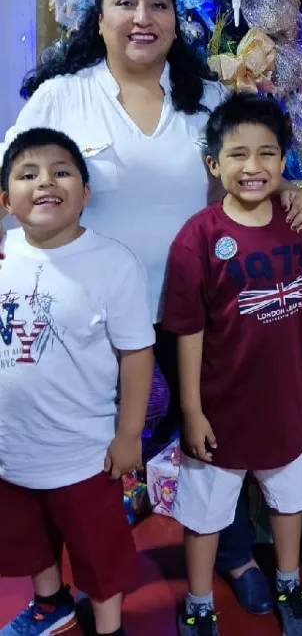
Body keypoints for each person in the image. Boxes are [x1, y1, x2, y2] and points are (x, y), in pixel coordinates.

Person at [0, 0, 302, 614]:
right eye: (125, 2)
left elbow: (249, 163)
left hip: (202, 315)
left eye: (158, 4)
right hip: (88, 318)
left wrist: (293, 194)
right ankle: (79, 582)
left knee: (216, 442)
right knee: (89, 455)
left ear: (177, 21)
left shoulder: (206, 100)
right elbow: (21, 181)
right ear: (101, 16)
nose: (141, 17)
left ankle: (230, 555)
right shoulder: (64, 95)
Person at [163, 93, 302, 636]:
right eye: (237, 155)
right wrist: (192, 409)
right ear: (214, 164)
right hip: (223, 408)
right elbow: (188, 330)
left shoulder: (297, 228)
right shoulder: (198, 239)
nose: (253, 167)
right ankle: (197, 601)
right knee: (205, 512)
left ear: (283, 162)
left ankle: (288, 583)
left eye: (267, 154)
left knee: (289, 500)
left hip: (285, 404)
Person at [0, 127, 155, 636]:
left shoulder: (113, 263)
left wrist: (129, 434)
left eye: (61, 171)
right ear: (6, 200)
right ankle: (51, 603)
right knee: (26, 538)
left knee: (100, 554)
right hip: (10, 448)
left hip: (84, 453)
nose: (46, 181)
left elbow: (136, 355)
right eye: (28, 174)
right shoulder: (4, 257)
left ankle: (109, 627)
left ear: (85, 194)